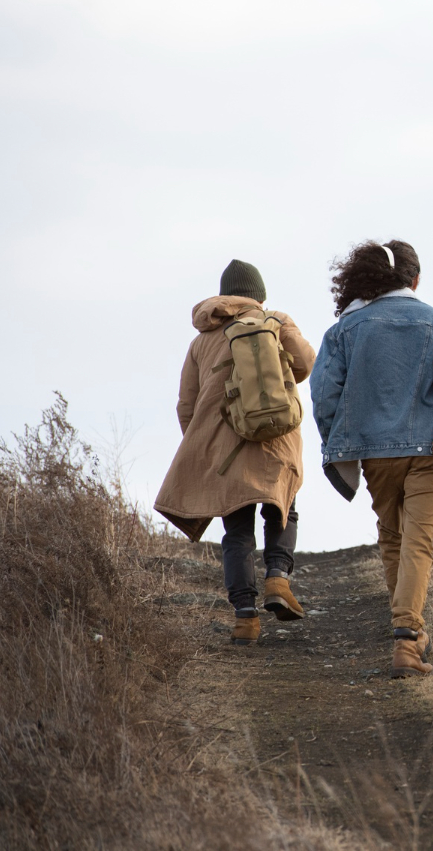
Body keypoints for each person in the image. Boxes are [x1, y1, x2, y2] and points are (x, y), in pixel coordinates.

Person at [310, 240, 433, 678]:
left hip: (373, 452)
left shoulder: (346, 327)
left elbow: (323, 394)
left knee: (392, 536)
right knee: (418, 538)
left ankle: (407, 634)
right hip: (430, 450)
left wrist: (342, 440)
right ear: (414, 279)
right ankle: (408, 640)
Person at [155, 259, 315, 645]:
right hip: (275, 436)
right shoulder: (276, 320)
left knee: (237, 529)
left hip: (224, 448)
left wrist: (203, 446)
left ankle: (245, 617)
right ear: (259, 295)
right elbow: (308, 364)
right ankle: (278, 577)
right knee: (283, 504)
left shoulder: (201, 341)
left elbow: (186, 405)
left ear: (223, 295)